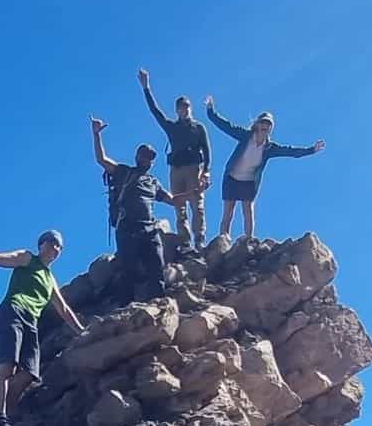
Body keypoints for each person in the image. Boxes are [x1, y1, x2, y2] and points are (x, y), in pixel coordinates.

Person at [0, 220, 86, 424]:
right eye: (53, 243)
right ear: (41, 244)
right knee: (8, 365)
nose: (56, 249)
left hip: (31, 322)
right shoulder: (27, 258)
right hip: (13, 311)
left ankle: (3, 411)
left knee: (30, 372)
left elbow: (63, 309)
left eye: (60, 246)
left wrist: (81, 331)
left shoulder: (50, 279)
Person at [205, 97, 326, 241]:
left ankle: (249, 240)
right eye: (263, 122)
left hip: (249, 182)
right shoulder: (245, 136)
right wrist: (210, 111)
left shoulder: (270, 148)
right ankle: (223, 240)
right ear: (256, 124)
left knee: (248, 211)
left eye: (268, 124)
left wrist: (311, 150)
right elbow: (225, 126)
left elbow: (291, 151)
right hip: (232, 178)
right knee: (228, 212)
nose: (265, 126)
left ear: (270, 129)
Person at [90, 116, 177, 302]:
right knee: (128, 269)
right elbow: (101, 159)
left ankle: (160, 303)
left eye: (150, 158)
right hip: (128, 227)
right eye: (145, 156)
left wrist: (196, 192)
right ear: (137, 157)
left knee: (157, 266)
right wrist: (96, 134)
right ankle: (126, 307)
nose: (147, 160)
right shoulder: (124, 172)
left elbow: (172, 200)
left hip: (149, 228)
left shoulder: (153, 182)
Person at [138, 68, 211, 246]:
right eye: (181, 107)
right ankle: (185, 242)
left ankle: (199, 240)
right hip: (176, 170)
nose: (184, 109)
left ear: (190, 108)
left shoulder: (198, 128)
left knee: (197, 205)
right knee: (179, 206)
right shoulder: (172, 127)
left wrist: (206, 172)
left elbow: (207, 151)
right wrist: (146, 88)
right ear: (177, 110)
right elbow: (155, 111)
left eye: (186, 106)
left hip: (194, 169)